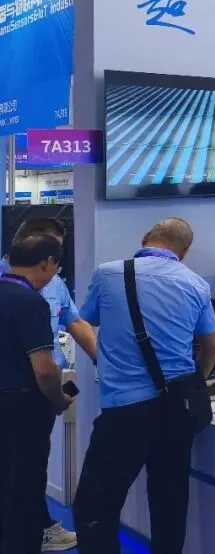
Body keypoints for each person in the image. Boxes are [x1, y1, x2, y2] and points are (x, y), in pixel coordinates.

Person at [74, 218, 215, 554]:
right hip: (177, 410)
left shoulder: (108, 273)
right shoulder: (195, 284)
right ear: (184, 252)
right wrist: (194, 383)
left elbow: (89, 318)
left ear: (146, 238)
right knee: (170, 499)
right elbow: (212, 346)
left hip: (123, 411)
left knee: (97, 502)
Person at [0, 218, 95, 552]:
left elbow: (75, 320)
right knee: (25, 486)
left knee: (11, 484)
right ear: (47, 263)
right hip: (24, 407)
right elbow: (43, 370)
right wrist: (57, 400)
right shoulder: (30, 302)